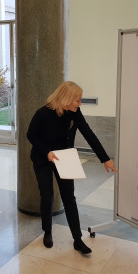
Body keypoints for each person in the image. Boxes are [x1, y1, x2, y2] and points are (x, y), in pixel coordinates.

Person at [27, 81, 118, 254]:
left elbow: (88, 134)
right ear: (66, 98)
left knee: (69, 197)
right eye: (77, 100)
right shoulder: (43, 113)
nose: (80, 103)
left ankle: (77, 239)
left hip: (65, 158)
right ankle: (47, 231)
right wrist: (47, 152)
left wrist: (105, 159)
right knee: (47, 195)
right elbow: (31, 135)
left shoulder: (75, 113)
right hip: (43, 157)